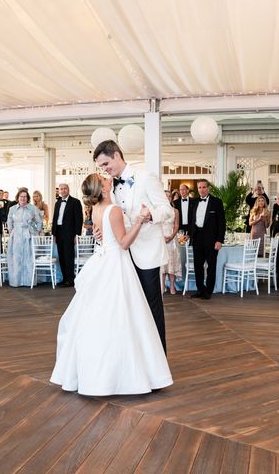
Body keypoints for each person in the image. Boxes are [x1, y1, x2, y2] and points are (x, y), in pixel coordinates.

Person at [50, 173, 173, 396]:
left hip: (102, 260)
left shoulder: (95, 209)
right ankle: (124, 374)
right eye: (104, 179)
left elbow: (104, 235)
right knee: (124, 316)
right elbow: (124, 243)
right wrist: (139, 220)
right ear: (104, 189)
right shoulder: (113, 210)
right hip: (116, 263)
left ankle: (98, 372)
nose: (108, 179)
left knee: (103, 316)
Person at [93, 140, 173, 352]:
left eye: (106, 163)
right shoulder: (108, 187)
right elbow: (112, 217)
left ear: (117, 155)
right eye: (102, 166)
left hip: (147, 253)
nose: (105, 169)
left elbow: (168, 210)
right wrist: (100, 231)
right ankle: (138, 359)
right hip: (122, 256)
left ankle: (159, 361)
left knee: (151, 307)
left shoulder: (145, 178)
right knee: (128, 310)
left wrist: (150, 215)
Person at [188, 179, 226, 300]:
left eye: (204, 187)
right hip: (197, 237)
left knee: (211, 265)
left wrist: (219, 240)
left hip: (212, 239)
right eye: (199, 187)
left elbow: (222, 223)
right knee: (197, 265)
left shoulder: (217, 202)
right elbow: (191, 220)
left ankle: (208, 291)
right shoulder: (194, 202)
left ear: (208, 188)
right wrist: (190, 234)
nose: (202, 189)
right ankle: (200, 289)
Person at [6, 188, 42, 287]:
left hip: (28, 235)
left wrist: (37, 232)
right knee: (16, 258)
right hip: (16, 235)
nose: (23, 198)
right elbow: (9, 221)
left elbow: (39, 221)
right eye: (21, 196)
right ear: (18, 197)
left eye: (25, 196)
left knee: (28, 258)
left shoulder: (33, 208)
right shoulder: (12, 209)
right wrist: (11, 231)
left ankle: (28, 281)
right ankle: (16, 281)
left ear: (28, 198)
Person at [51, 183, 83, 287]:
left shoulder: (76, 202)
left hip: (70, 233)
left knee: (69, 256)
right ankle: (65, 278)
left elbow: (79, 220)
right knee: (61, 256)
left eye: (65, 189)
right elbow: (55, 219)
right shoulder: (58, 203)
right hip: (59, 232)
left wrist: (77, 235)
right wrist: (53, 234)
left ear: (68, 190)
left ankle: (70, 279)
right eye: (61, 189)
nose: (63, 191)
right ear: (59, 191)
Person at [161, 190, 181, 295]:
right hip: (161, 239)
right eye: (166, 196)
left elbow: (176, 225)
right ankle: (163, 285)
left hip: (172, 239)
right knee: (163, 264)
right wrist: (162, 238)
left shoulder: (175, 211)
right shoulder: (158, 210)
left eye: (169, 196)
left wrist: (171, 237)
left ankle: (172, 286)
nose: (168, 198)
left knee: (172, 264)